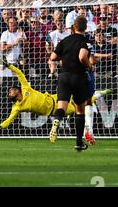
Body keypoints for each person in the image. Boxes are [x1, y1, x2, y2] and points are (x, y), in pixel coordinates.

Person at [0, 59, 110, 132]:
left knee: (77, 92)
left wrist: (9, 66)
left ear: (17, 90)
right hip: (55, 111)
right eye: (9, 93)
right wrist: (0, 126)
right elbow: (9, 119)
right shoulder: (17, 107)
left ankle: (94, 91)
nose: (9, 93)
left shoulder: (25, 88)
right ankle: (99, 95)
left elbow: (20, 74)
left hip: (55, 97)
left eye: (10, 91)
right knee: (81, 106)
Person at [49, 16, 94, 152]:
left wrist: (66, 56)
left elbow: (53, 57)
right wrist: (89, 66)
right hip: (77, 77)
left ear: (73, 27)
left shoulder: (65, 40)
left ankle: (56, 121)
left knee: (61, 106)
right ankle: (79, 142)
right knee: (79, 110)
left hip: (63, 76)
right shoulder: (85, 41)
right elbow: (82, 56)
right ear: (85, 28)